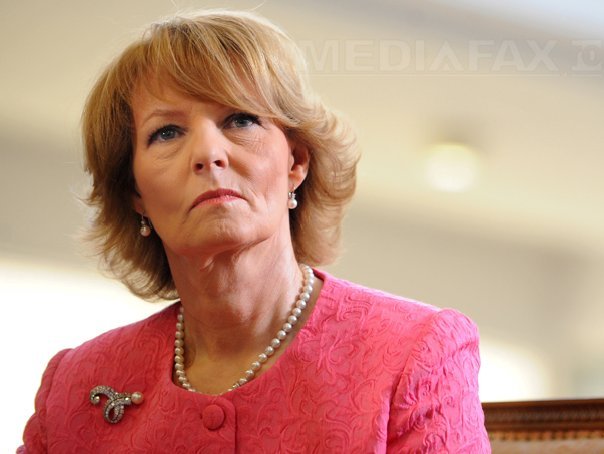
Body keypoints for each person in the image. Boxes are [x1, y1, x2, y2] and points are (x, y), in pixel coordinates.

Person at [19, 10, 490, 453]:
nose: (208, 153)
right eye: (166, 133)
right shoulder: (75, 385)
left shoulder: (414, 352)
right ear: (135, 194)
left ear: (296, 162)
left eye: (240, 119)